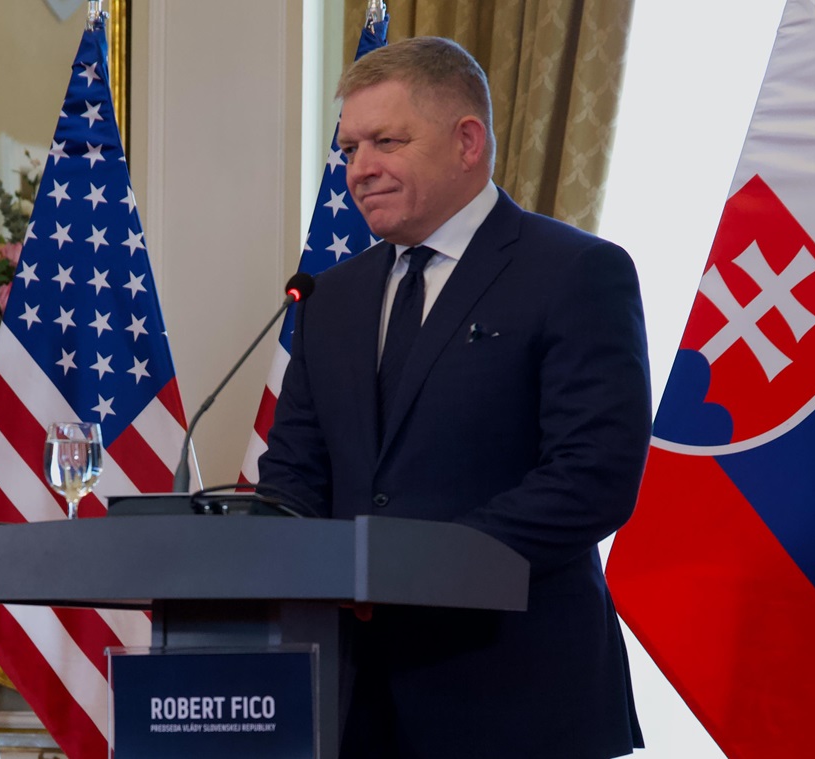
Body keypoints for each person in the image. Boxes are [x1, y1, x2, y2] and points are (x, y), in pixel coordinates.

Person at [259, 35, 650, 759]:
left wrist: (411, 567)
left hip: (518, 695)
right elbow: (293, 475)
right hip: (350, 703)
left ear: (467, 142)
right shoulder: (327, 298)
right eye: (349, 148)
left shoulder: (575, 272)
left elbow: (593, 475)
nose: (359, 168)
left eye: (386, 141)